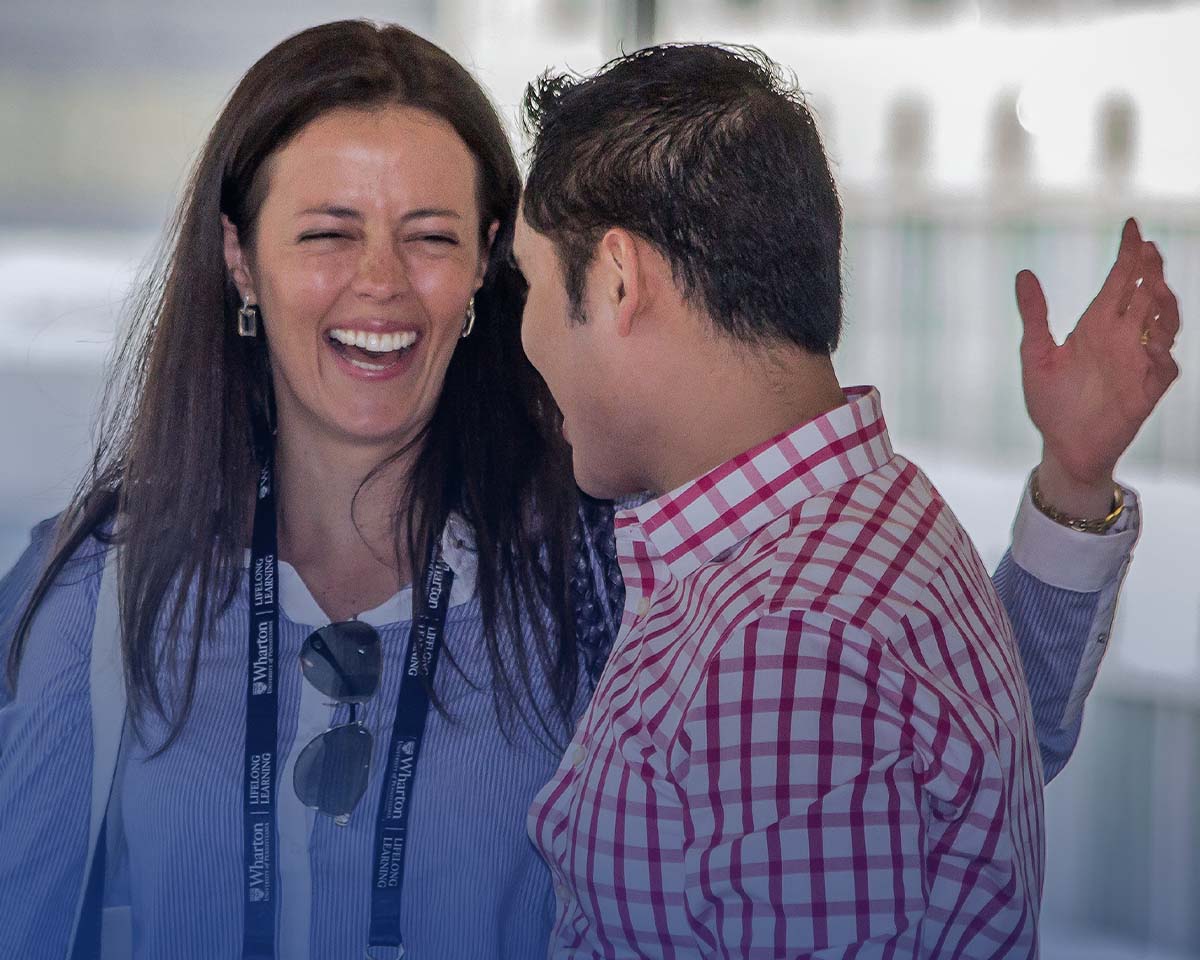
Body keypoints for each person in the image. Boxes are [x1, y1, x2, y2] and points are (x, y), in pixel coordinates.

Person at [0, 21, 1176, 960]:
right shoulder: (93, 591)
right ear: (238, 258)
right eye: (324, 232)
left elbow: (907, 738)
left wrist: (1074, 489)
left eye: (428, 236)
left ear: (490, 271)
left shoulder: (605, 557)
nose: (380, 284)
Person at [515, 43, 1179, 957]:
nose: (523, 334)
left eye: (532, 284)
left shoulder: (781, 646)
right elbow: (982, 747)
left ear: (621, 281)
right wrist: (1074, 477)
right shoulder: (868, 517)